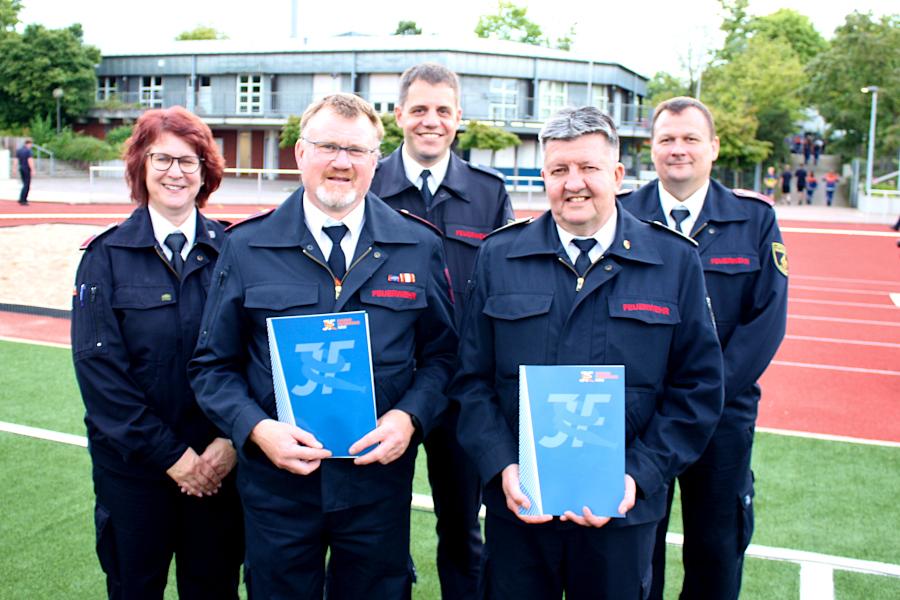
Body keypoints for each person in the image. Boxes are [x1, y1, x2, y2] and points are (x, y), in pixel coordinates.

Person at [189, 93, 458, 599]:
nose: (341, 162)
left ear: (376, 162)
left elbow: (444, 357)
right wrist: (257, 429)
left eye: (357, 151)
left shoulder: (417, 244)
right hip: (278, 489)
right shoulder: (247, 245)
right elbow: (212, 366)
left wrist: (411, 418)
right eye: (328, 146)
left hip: (377, 484)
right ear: (300, 154)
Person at [450, 106, 724, 599]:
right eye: (559, 170)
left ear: (617, 175)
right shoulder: (498, 256)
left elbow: (697, 389)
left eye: (588, 168)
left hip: (620, 513)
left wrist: (639, 474)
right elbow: (470, 380)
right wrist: (501, 465)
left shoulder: (674, 261)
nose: (573, 183)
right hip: (521, 510)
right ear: (544, 178)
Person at [620, 96, 789, 600]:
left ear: (713, 148)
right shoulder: (623, 214)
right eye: (667, 139)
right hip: (639, 418)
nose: (678, 150)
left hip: (720, 417)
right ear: (651, 149)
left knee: (716, 550)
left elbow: (765, 323)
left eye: (690, 138)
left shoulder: (753, 220)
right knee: (634, 547)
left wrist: (702, 393)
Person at [71, 106, 243, 599]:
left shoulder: (234, 250)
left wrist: (230, 442)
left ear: (205, 170)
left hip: (219, 465)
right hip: (135, 473)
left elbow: (254, 353)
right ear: (140, 167)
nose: (176, 172)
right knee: (134, 588)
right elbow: (101, 376)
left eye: (189, 161)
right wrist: (173, 457)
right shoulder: (104, 257)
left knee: (213, 588)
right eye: (162, 159)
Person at [369, 62, 514, 598]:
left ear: (459, 119)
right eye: (420, 109)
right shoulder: (369, 182)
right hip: (387, 391)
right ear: (400, 115)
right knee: (379, 528)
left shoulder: (488, 193)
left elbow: (503, 288)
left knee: (461, 526)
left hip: (461, 393)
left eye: (443, 111)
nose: (431, 121)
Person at [15, 138, 34, 205]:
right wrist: (32, 169)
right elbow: (30, 160)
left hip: (21, 168)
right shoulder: (28, 151)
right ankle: (23, 199)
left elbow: (16, 160)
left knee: (24, 184)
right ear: (28, 144)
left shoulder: (19, 150)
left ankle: (21, 198)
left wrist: (14, 169)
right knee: (27, 185)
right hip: (26, 169)